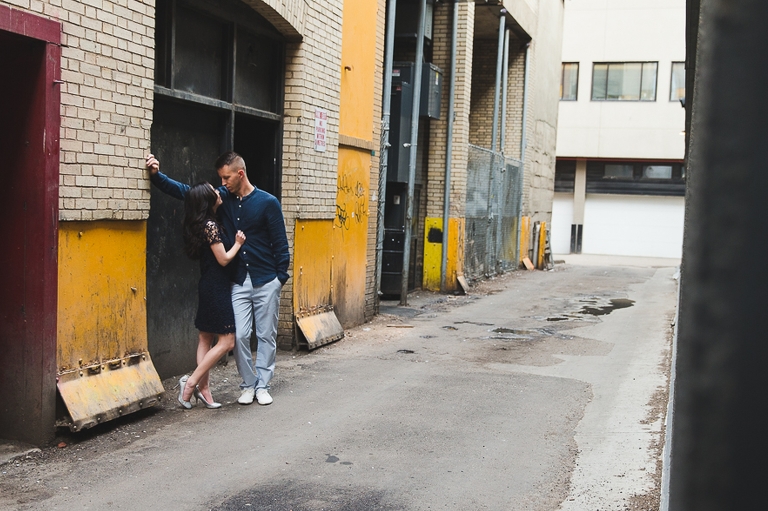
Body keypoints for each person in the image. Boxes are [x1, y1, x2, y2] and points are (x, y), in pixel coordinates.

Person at [146, 152, 290, 406]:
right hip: (237, 280)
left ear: (240, 174)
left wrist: (280, 277)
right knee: (241, 335)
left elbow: (280, 244)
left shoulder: (268, 202)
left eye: (226, 177)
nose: (222, 183)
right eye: (221, 178)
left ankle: (263, 385)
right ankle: (247, 385)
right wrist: (158, 177)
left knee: (266, 334)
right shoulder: (223, 199)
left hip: (266, 279)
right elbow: (187, 192)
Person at [178, 183, 246, 409]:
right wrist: (237, 244)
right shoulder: (210, 226)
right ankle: (191, 383)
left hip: (209, 285)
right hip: (216, 288)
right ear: (208, 200)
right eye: (213, 191)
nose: (218, 192)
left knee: (205, 338)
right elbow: (224, 259)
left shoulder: (205, 224)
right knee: (227, 341)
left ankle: (204, 391)